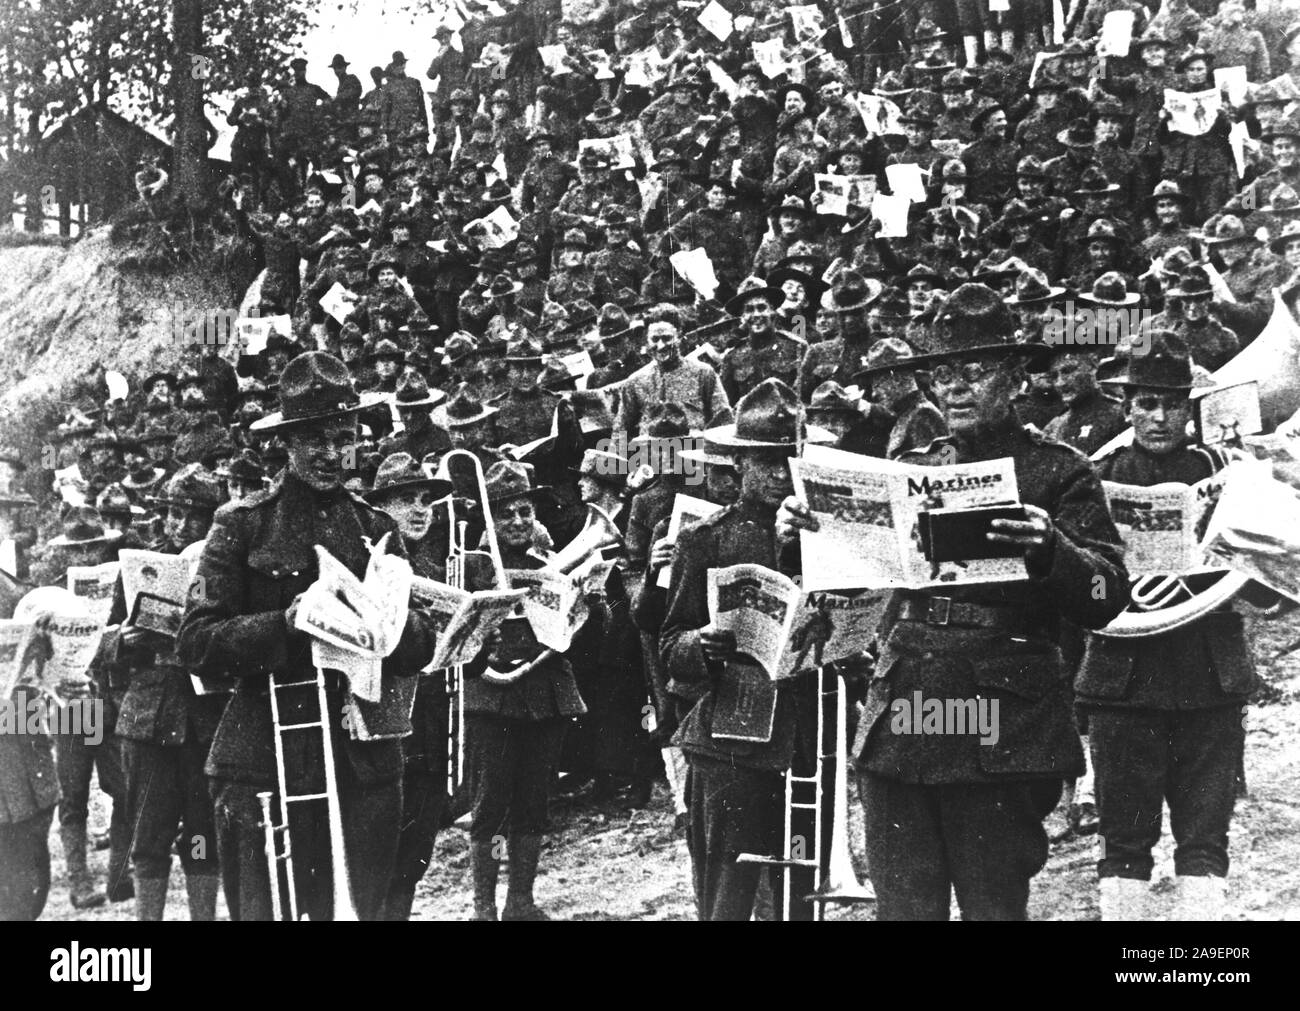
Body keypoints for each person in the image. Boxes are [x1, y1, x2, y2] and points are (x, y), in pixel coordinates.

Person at [777, 283, 1129, 920]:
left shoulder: (1059, 472)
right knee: (905, 907)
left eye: (974, 372)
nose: (955, 389)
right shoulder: (909, 467)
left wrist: (1052, 548)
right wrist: (799, 537)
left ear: (1017, 378)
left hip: (996, 715)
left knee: (991, 902)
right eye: (943, 375)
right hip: (905, 707)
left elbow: (1107, 595)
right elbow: (844, 585)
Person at [178, 352, 440, 921]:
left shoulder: (376, 527)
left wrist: (396, 629)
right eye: (313, 439)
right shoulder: (242, 523)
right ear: (287, 444)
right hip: (263, 760)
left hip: (360, 764)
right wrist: (286, 623)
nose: (329, 454)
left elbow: (419, 648)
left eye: (341, 438)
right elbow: (196, 642)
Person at [1078, 331, 1285, 920]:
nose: (1160, 416)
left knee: (1203, 838)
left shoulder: (1228, 472)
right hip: (1124, 677)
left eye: (1172, 402)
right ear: (1126, 406)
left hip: (1207, 672)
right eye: (1146, 402)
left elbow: (1271, 572)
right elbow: (1077, 583)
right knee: (1124, 841)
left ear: (1190, 408)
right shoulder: (1096, 475)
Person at [660, 379, 837, 920]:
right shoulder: (706, 539)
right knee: (727, 893)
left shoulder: (828, 535)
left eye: (790, 461)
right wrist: (701, 646)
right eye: (765, 463)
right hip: (730, 742)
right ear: (738, 465)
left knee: (802, 889)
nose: (780, 475)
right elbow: (670, 641)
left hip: (808, 737)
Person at [462, 461, 586, 920]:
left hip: (544, 694)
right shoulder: (474, 569)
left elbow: (581, 638)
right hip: (492, 700)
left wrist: (586, 604)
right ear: (488, 521)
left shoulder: (549, 568)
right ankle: (484, 906)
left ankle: (521, 900)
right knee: (491, 804)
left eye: (525, 512)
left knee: (534, 802)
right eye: (506, 514)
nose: (517, 522)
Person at [107, 463, 226, 920]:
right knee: (149, 836)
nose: (179, 525)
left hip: (203, 716)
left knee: (201, 835)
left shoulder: (221, 569)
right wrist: (125, 640)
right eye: (172, 513)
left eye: (192, 515)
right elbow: (104, 640)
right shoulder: (141, 565)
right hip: (150, 715)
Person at [363, 453, 454, 921]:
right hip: (385, 730)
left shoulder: (438, 568)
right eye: (405, 500)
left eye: (426, 501)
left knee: (412, 860)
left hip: (432, 729)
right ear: (380, 508)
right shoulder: (369, 565)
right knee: (377, 860)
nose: (420, 510)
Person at [612, 303, 732, 439]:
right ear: (647, 340)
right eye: (655, 339)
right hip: (651, 457)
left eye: (667, 338)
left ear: (679, 336)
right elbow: (620, 431)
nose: (661, 346)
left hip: (693, 454)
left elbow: (723, 420)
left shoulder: (703, 373)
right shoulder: (635, 382)